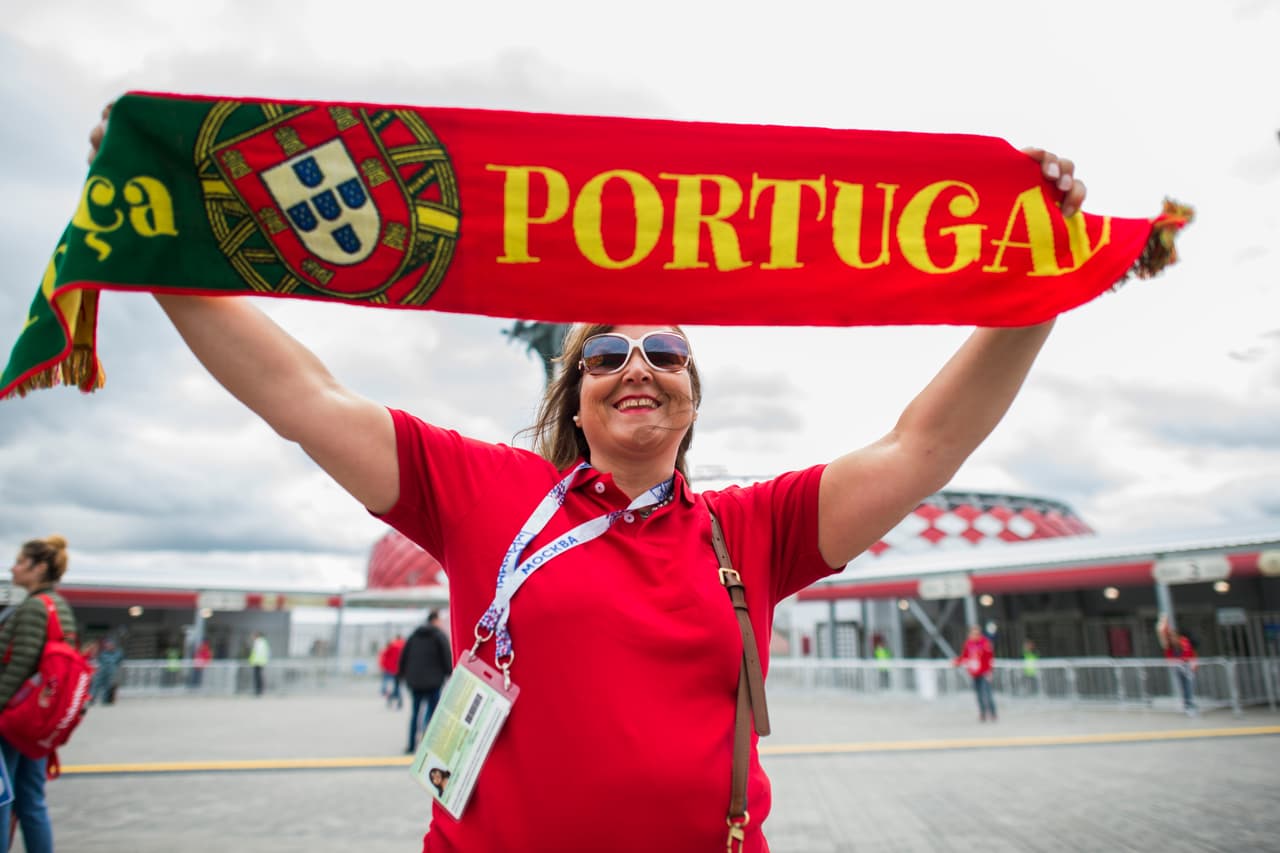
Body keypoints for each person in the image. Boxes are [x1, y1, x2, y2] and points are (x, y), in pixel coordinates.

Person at [86, 107, 1084, 850]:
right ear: (574, 397)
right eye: (604, 353)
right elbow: (303, 397)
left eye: (664, 351)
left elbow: (923, 446)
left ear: (692, 394)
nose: (636, 366)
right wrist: (158, 241)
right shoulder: (484, 492)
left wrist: (1040, 288)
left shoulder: (755, 526)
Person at [0, 535, 79, 853]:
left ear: (40, 568)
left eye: (21, 562)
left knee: (3, 797)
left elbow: (19, 666)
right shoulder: (59, 606)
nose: (13, 568)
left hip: (15, 717)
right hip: (40, 718)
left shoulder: (34, 607)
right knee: (31, 798)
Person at [398, 612, 452, 753]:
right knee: (433, 715)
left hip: (415, 682)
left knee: (415, 714)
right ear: (435, 620)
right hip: (434, 682)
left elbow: (404, 658)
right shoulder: (439, 637)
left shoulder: (413, 636)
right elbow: (446, 658)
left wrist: (402, 676)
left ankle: (411, 745)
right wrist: (450, 674)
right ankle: (428, 746)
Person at [954, 625, 997, 721]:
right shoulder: (968, 644)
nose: (974, 636)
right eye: (972, 634)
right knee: (979, 695)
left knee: (987, 694)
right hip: (974, 673)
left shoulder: (985, 643)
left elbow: (989, 658)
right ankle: (983, 714)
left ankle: (993, 713)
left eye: (976, 634)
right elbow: (964, 656)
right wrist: (956, 662)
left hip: (985, 673)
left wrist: (989, 672)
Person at [1157, 614, 1198, 716]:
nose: (1173, 638)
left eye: (1174, 636)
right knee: (1184, 686)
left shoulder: (1184, 642)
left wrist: (1194, 663)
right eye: (1171, 637)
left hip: (1187, 666)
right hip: (1178, 668)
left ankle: (1190, 704)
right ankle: (1187, 704)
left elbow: (1192, 653)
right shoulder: (1169, 645)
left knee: (1189, 685)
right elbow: (1161, 631)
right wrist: (1163, 620)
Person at [91, 635, 124, 705]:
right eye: (107, 645)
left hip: (111, 672)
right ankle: (91, 699)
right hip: (101, 672)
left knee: (107, 686)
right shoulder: (102, 653)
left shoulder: (118, 653)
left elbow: (118, 661)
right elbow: (98, 660)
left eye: (110, 645)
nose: (109, 646)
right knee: (96, 685)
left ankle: (105, 700)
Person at [378, 634, 405, 710]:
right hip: (399, 670)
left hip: (390, 669)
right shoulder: (405, 645)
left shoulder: (392, 645)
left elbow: (384, 655)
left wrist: (383, 666)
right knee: (397, 686)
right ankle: (399, 701)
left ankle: (389, 699)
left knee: (389, 686)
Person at [247, 631, 270, 696]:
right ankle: (259, 691)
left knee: (257, 677)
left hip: (257, 662)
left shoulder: (258, 642)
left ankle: (257, 691)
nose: (252, 637)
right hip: (261, 661)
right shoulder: (264, 642)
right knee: (259, 676)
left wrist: (251, 660)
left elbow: (255, 652)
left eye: (253, 636)